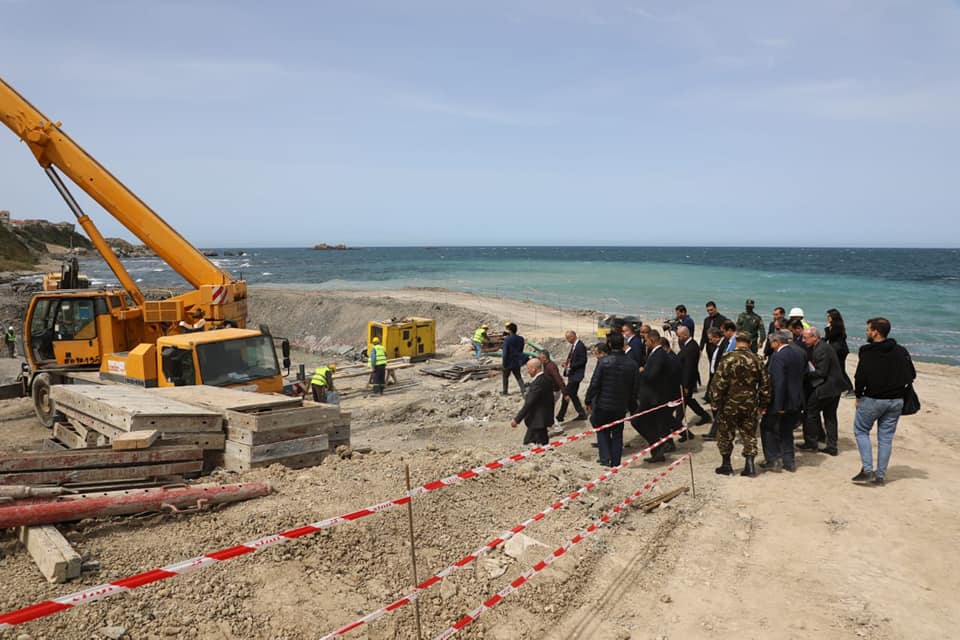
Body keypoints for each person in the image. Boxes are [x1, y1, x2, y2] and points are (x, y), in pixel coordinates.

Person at [852, 317, 915, 486]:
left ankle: (867, 470)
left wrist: (858, 396)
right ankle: (880, 476)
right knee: (885, 438)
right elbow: (911, 374)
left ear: (876, 332)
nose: (866, 332)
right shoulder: (901, 350)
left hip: (874, 399)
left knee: (861, 431)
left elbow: (860, 376)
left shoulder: (867, 351)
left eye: (868, 329)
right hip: (896, 400)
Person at [709, 331, 771, 477]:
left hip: (729, 403)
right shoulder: (756, 359)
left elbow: (718, 383)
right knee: (749, 434)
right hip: (749, 403)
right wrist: (763, 403)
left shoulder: (727, 358)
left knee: (725, 433)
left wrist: (715, 402)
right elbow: (765, 384)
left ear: (737, 341)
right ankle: (749, 466)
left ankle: (726, 465)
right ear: (749, 343)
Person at [585, 331, 638, 467]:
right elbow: (634, 389)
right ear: (623, 345)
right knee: (617, 434)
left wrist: (588, 400)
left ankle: (605, 459)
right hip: (620, 406)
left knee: (602, 431)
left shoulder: (604, 362)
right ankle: (616, 462)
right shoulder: (632, 364)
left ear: (609, 344)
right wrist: (633, 407)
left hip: (603, 404)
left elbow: (595, 383)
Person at [760, 330, 805, 472]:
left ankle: (772, 459)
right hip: (795, 399)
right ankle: (789, 461)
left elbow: (778, 382)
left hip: (781, 401)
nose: (770, 345)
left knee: (767, 427)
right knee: (787, 431)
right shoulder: (798, 354)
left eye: (771, 342)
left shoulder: (778, 356)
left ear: (777, 342)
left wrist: (778, 405)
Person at [800, 327, 846, 456]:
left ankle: (812, 442)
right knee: (830, 416)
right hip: (834, 387)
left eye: (806, 338)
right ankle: (831, 445)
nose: (803, 340)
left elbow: (821, 372)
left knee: (810, 412)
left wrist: (805, 374)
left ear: (815, 337)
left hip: (826, 387)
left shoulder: (821, 349)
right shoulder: (822, 347)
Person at [632, 329, 674, 462]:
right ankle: (657, 451)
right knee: (652, 424)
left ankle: (658, 445)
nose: (645, 343)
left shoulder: (659, 355)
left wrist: (642, 371)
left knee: (637, 421)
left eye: (646, 340)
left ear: (652, 340)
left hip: (653, 397)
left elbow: (652, 375)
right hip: (652, 396)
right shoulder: (655, 354)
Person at [511, 358, 554, 446]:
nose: (528, 371)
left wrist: (517, 419)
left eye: (528, 369)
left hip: (537, 420)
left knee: (529, 444)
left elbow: (529, 403)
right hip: (543, 419)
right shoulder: (547, 379)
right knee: (542, 443)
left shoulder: (537, 383)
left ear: (534, 369)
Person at [676, 326, 711, 429]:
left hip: (688, 380)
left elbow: (689, 368)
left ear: (686, 335)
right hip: (685, 379)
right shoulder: (687, 345)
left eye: (679, 336)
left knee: (683, 402)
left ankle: (677, 423)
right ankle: (705, 416)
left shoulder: (691, 347)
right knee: (688, 401)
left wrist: (686, 385)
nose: (678, 338)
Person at [557, 330, 588, 422]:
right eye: (567, 338)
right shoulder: (575, 346)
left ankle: (560, 415)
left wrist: (570, 365)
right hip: (573, 374)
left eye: (569, 337)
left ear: (574, 336)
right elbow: (572, 358)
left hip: (576, 375)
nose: (568, 340)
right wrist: (567, 363)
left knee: (566, 394)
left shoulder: (580, 346)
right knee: (573, 395)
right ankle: (581, 413)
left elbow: (583, 361)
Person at [538, 350, 568, 435]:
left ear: (544, 358)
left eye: (540, 357)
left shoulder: (551, 367)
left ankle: (557, 428)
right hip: (551, 391)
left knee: (547, 409)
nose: (539, 359)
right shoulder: (545, 365)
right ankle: (548, 425)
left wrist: (565, 393)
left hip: (553, 391)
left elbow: (558, 379)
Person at [824, 309, 854, 393]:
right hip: (837, 349)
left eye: (829, 316)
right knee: (838, 369)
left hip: (840, 350)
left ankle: (849, 388)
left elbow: (830, 336)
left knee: (840, 369)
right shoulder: (834, 325)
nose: (827, 318)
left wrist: (827, 328)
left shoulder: (837, 326)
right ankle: (843, 387)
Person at [501, 322, 527, 396]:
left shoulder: (507, 340)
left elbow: (505, 353)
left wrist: (504, 363)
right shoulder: (521, 339)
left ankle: (505, 392)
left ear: (509, 330)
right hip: (517, 361)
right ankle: (523, 390)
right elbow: (521, 350)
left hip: (508, 361)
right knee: (518, 376)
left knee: (505, 377)